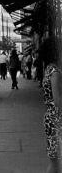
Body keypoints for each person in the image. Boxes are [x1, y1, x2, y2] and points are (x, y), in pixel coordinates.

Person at [39, 37, 62, 173]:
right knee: (56, 163)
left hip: (51, 118)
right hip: (56, 119)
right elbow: (58, 100)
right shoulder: (55, 73)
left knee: (55, 162)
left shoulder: (49, 69)